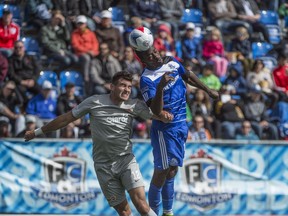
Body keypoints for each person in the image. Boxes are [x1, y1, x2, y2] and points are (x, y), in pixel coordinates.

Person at [24, 71, 174, 216]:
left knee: (141, 205)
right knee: (124, 212)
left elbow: (158, 114)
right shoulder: (94, 102)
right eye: (122, 85)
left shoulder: (135, 105)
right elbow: (65, 119)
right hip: (104, 166)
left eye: (129, 87)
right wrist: (37, 132)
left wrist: (165, 116)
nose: (127, 90)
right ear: (112, 87)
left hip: (126, 161)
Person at [134, 44, 219, 215]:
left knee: (172, 170)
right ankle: (153, 213)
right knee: (161, 171)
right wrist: (160, 87)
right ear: (143, 60)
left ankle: (168, 212)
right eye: (150, 56)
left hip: (181, 124)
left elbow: (188, 75)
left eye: (155, 52)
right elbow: (155, 110)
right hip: (164, 129)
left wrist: (208, 90)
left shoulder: (171, 61)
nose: (156, 56)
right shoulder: (146, 79)